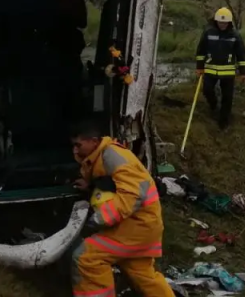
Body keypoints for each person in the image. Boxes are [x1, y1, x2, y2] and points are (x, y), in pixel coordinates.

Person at [69, 119, 173, 297]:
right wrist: (91, 185)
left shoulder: (112, 156)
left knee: (86, 258)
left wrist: (99, 219)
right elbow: (115, 184)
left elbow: (133, 194)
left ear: (94, 141)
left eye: (78, 145)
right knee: (143, 275)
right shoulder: (103, 155)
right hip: (145, 226)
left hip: (135, 227)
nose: (75, 150)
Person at [194, 7, 245, 129]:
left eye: (225, 23)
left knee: (227, 97)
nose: (222, 25)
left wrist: (243, 72)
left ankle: (223, 121)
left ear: (229, 23)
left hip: (228, 72)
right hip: (210, 70)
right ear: (216, 21)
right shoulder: (208, 33)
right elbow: (201, 51)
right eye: (220, 22)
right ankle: (214, 106)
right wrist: (199, 67)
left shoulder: (235, 35)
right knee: (207, 91)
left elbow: (242, 54)